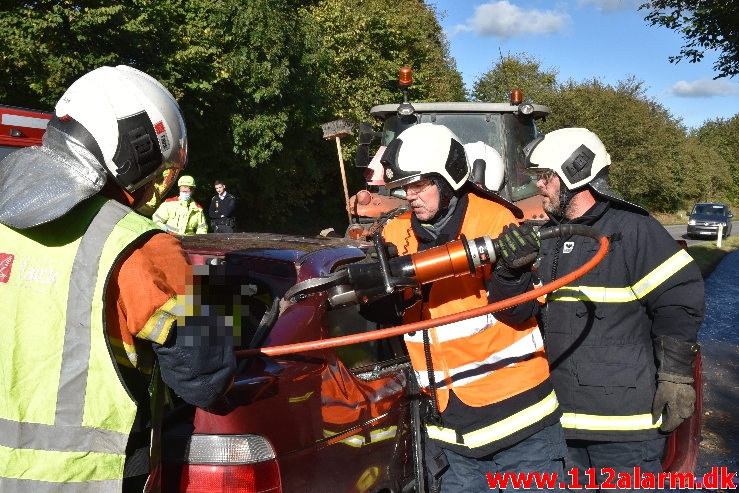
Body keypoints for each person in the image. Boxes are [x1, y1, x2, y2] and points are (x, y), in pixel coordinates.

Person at [0, 65, 236, 491]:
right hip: (86, 479)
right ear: (136, 151)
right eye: (160, 170)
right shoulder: (143, 248)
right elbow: (204, 379)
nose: (160, 188)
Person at [495, 127, 705, 491]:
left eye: (545, 177)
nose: (538, 186)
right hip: (559, 425)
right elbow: (516, 314)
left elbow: (678, 301)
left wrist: (676, 376)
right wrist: (510, 272)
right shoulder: (550, 237)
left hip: (625, 432)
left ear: (576, 175)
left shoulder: (634, 229)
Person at [375, 123, 567, 492]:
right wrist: (376, 291)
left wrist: (511, 272)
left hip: (519, 422)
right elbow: (391, 320)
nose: (410, 196)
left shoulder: (497, 220)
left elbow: (522, 311)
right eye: (404, 186)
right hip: (449, 428)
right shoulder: (394, 233)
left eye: (420, 184)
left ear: (448, 178)